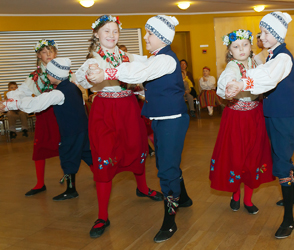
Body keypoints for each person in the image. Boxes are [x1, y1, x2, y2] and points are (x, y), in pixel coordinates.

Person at [86, 14, 193, 243]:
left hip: (171, 120)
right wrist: (140, 92)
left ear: (162, 37)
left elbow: (140, 73)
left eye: (149, 34)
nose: (145, 37)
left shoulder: (166, 59)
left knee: (166, 170)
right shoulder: (156, 57)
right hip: (163, 118)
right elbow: (148, 78)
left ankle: (170, 222)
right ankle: (183, 199)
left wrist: (108, 73)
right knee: (167, 161)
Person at [75, 15, 163, 238]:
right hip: (104, 110)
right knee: (104, 155)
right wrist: (90, 76)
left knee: (136, 147)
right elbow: (80, 80)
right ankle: (102, 215)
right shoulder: (93, 60)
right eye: (107, 31)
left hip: (128, 106)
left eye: (115, 31)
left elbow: (146, 65)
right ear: (97, 34)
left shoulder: (126, 56)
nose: (112, 35)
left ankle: (142, 188)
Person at [225, 12, 294, 239]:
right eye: (262, 32)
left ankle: (289, 220)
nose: (262, 36)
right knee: (281, 157)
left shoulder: (282, 57)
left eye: (267, 32)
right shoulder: (271, 55)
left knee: (281, 164)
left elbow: (268, 77)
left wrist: (243, 82)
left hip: (283, 117)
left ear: (278, 34)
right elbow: (258, 69)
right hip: (272, 115)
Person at [1, 58, 93, 200]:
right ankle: (102, 175)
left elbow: (36, 104)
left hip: (70, 132)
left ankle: (71, 190)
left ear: (55, 75)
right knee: (87, 153)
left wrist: (8, 105)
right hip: (82, 129)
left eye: (49, 74)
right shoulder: (73, 86)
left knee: (68, 156)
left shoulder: (58, 93)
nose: (47, 76)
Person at [210, 29, 274, 214]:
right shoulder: (232, 67)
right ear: (230, 51)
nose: (241, 49)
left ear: (251, 46)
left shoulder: (257, 62)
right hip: (236, 118)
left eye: (245, 45)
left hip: (255, 115)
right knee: (236, 156)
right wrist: (230, 86)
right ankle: (236, 195)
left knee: (254, 156)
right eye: (236, 47)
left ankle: (248, 199)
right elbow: (226, 81)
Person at [6, 40, 61, 197]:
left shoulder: (64, 72)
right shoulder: (34, 76)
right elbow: (21, 91)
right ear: (39, 55)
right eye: (44, 51)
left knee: (70, 146)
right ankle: (40, 183)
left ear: (55, 53)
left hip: (62, 113)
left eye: (51, 51)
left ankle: (76, 178)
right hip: (44, 114)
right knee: (40, 147)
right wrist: (8, 102)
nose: (48, 54)